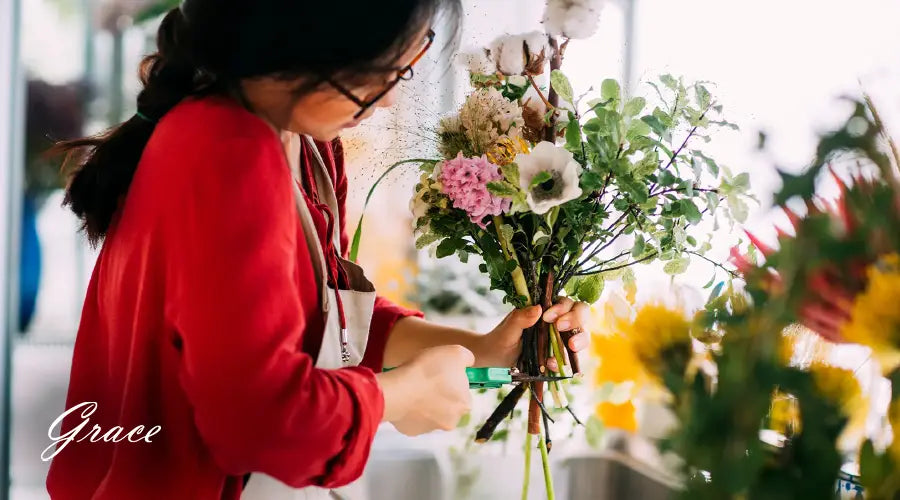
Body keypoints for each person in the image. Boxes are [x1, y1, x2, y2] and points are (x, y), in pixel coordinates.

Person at [45, 1, 591, 499]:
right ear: (320, 38)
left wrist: (485, 347)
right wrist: (397, 397)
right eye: (386, 71)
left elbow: (326, 320)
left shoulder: (303, 145)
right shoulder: (228, 154)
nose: (393, 97)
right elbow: (258, 421)